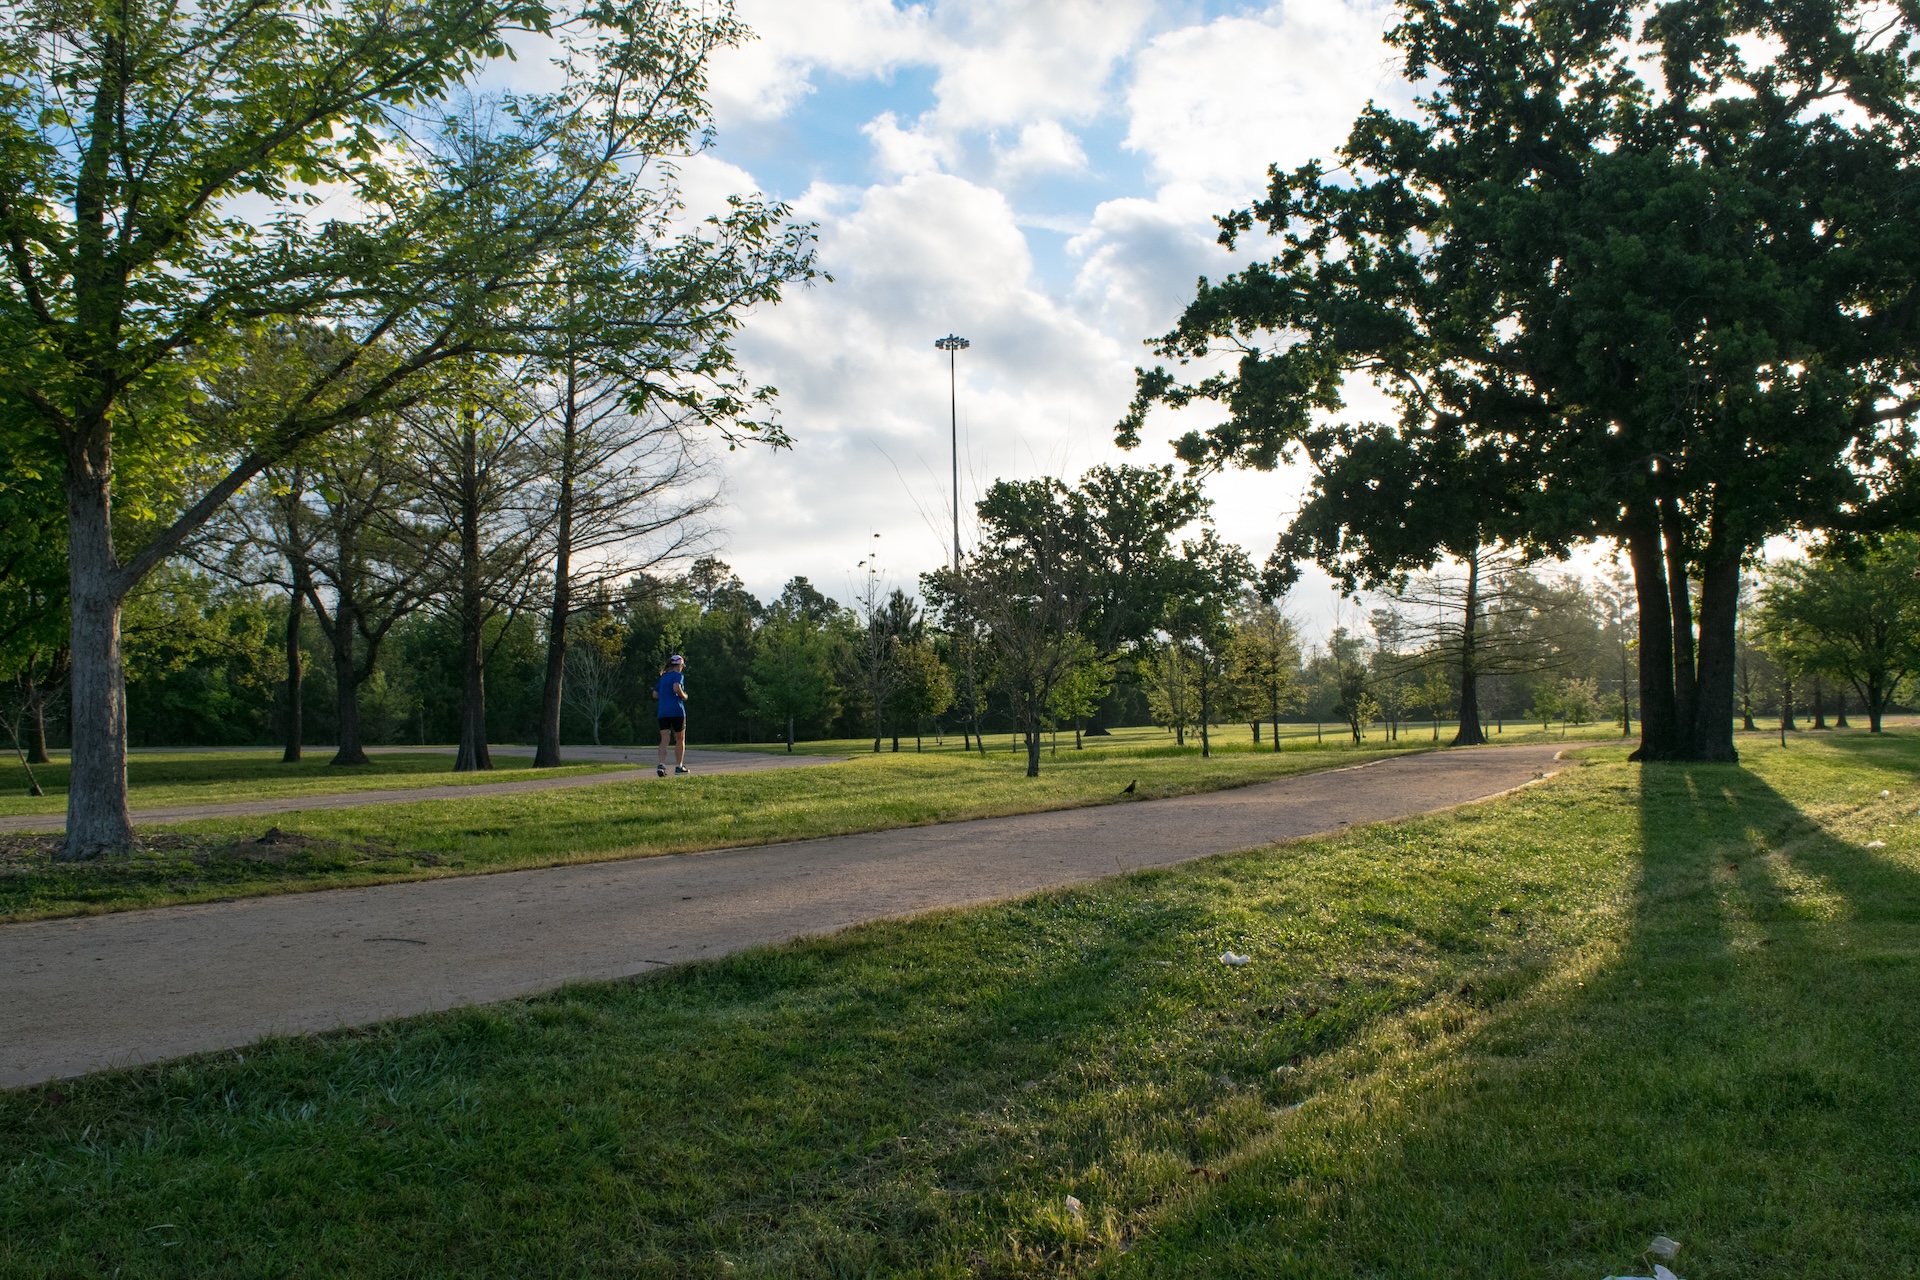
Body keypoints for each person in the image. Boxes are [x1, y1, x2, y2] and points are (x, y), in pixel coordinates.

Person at [652, 654, 690, 776]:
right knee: (679, 738)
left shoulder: (663, 678)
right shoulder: (678, 676)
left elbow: (655, 694)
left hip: (663, 711)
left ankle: (661, 764)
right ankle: (679, 766)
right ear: (679, 665)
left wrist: (665, 698)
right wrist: (683, 696)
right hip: (676, 711)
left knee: (664, 739)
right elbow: (676, 688)